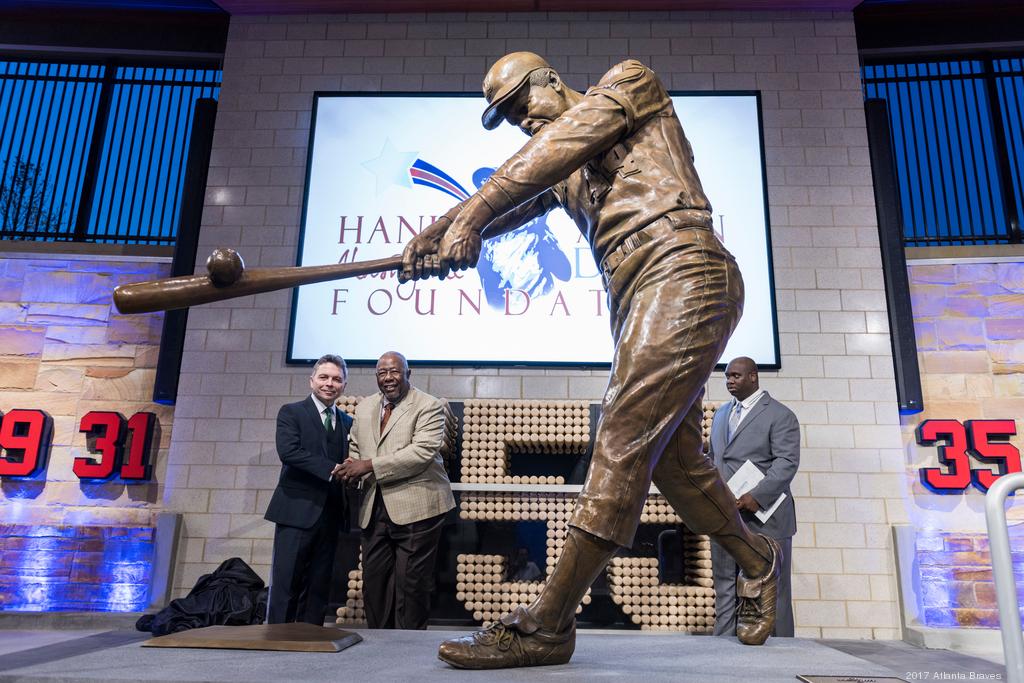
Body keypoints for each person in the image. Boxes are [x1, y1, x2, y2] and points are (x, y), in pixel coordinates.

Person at [400, 51, 783, 669]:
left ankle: (547, 624)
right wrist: (437, 233)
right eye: (508, 117)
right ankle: (758, 558)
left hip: (684, 267)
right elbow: (521, 195)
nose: (523, 121)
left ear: (550, 78)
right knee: (678, 465)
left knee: (622, 437)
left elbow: (556, 149)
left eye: (523, 103)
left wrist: (469, 214)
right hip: (635, 293)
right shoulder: (557, 169)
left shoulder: (629, 85)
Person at [335, 351, 455, 629]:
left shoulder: (428, 405)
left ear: (408, 374)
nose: (388, 378)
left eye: (394, 372)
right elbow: (356, 445)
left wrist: (368, 466)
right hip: (374, 507)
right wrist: (351, 467)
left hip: (419, 506)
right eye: (382, 373)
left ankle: (408, 650)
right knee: (374, 583)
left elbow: (421, 452)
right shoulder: (365, 407)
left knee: (412, 586)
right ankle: (380, 646)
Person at [709, 356, 800, 638]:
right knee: (725, 583)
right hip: (727, 515)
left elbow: (787, 462)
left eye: (736, 376)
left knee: (773, 588)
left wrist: (757, 496)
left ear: (753, 377)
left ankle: (782, 649)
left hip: (766, 517)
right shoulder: (722, 414)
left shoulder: (780, 415)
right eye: (727, 377)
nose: (730, 382)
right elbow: (717, 460)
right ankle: (722, 646)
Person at [264, 354, 352, 625]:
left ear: (344, 385)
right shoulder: (291, 412)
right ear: (311, 380)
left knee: (319, 584)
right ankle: (276, 640)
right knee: (286, 582)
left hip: (331, 513)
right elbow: (289, 452)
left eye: (336, 379)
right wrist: (333, 469)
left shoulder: (348, 422)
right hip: (296, 510)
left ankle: (311, 637)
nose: (330, 383)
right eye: (324, 377)